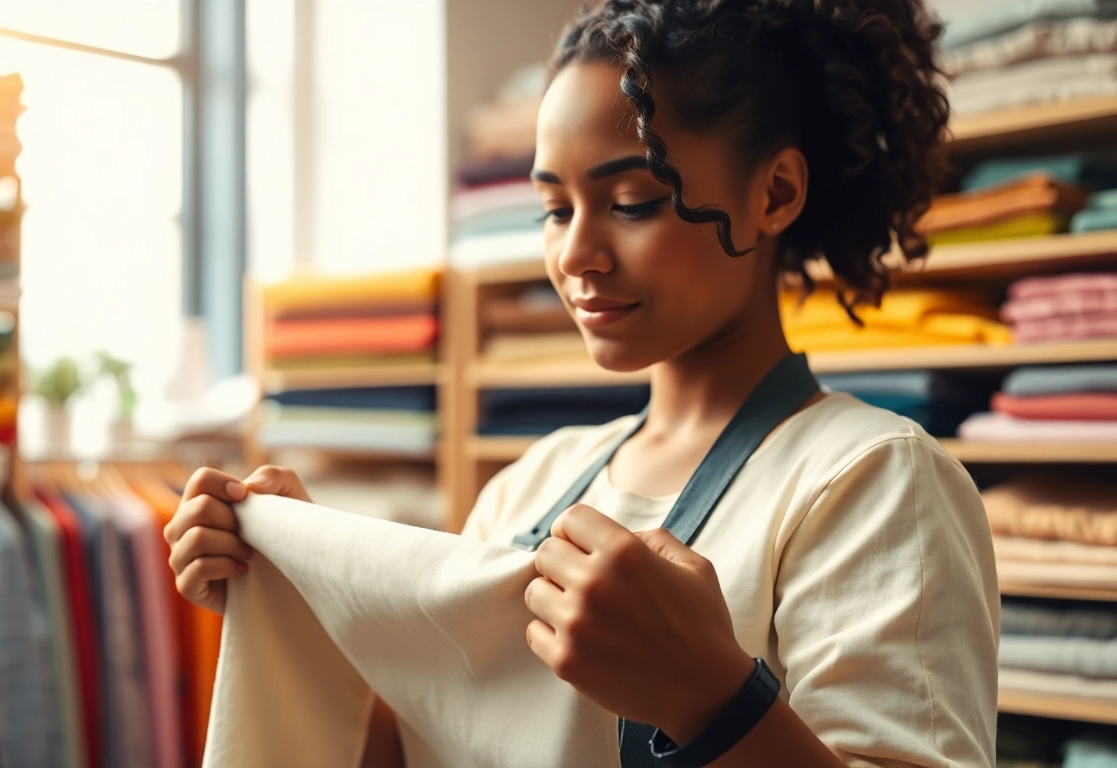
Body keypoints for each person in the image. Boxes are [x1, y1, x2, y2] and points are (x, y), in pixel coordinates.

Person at [164, 0, 1000, 765]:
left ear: (773, 193)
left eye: (632, 201)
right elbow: (427, 749)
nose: (574, 255)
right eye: (556, 210)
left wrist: (709, 696)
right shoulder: (527, 486)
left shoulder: (872, 481)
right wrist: (310, 592)